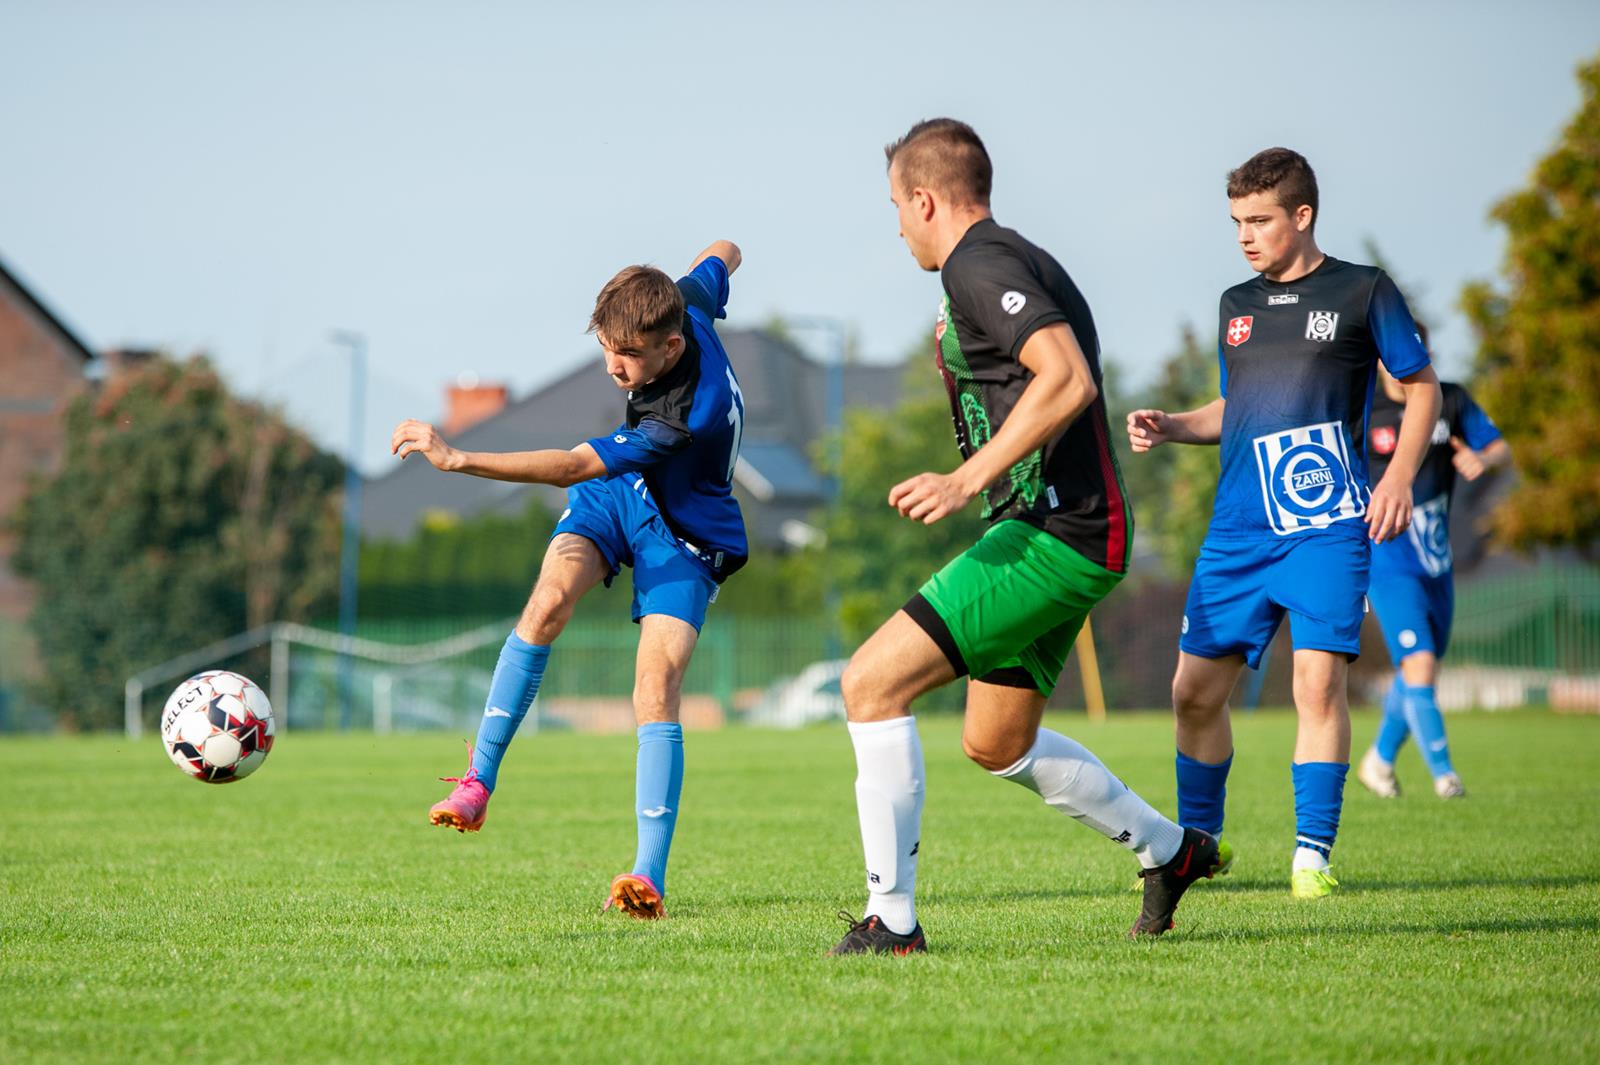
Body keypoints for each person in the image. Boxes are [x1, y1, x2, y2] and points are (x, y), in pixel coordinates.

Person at [829, 118, 1219, 957]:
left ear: (923, 198)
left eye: (896, 205)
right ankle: (1170, 849)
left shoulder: (981, 263)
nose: (895, 224)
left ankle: (891, 922)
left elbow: (1067, 377)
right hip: (1064, 529)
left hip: (1057, 531)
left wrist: (964, 479)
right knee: (995, 740)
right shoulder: (1006, 258)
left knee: (869, 683)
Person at [390, 241, 748, 919]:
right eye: (607, 348)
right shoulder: (684, 298)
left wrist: (458, 457)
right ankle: (477, 783)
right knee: (547, 603)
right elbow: (723, 253)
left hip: (689, 530)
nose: (615, 366)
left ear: (672, 347)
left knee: (655, 684)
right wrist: (723, 258)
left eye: (631, 355)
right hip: (621, 497)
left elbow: (567, 467)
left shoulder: (681, 419)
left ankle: (647, 875)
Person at [1127, 147, 1443, 899]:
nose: (1245, 235)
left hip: (1328, 526)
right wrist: (1171, 423)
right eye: (1237, 221)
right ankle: (1197, 845)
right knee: (1192, 693)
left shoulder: (1365, 292)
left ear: (1302, 216)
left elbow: (1422, 389)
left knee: (1316, 685)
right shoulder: (1236, 304)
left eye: (1260, 220)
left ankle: (1311, 857)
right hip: (1238, 530)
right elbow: (1235, 407)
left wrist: (1397, 477)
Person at [1357, 328, 1509, 800]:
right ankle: (1446, 777)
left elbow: (1500, 448)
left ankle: (1379, 760)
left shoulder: (1450, 399)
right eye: (1393, 357)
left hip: (1436, 560)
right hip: (1387, 556)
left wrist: (1482, 458)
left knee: (1419, 670)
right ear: (1379, 360)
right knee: (1419, 664)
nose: (1403, 366)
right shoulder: (1360, 408)